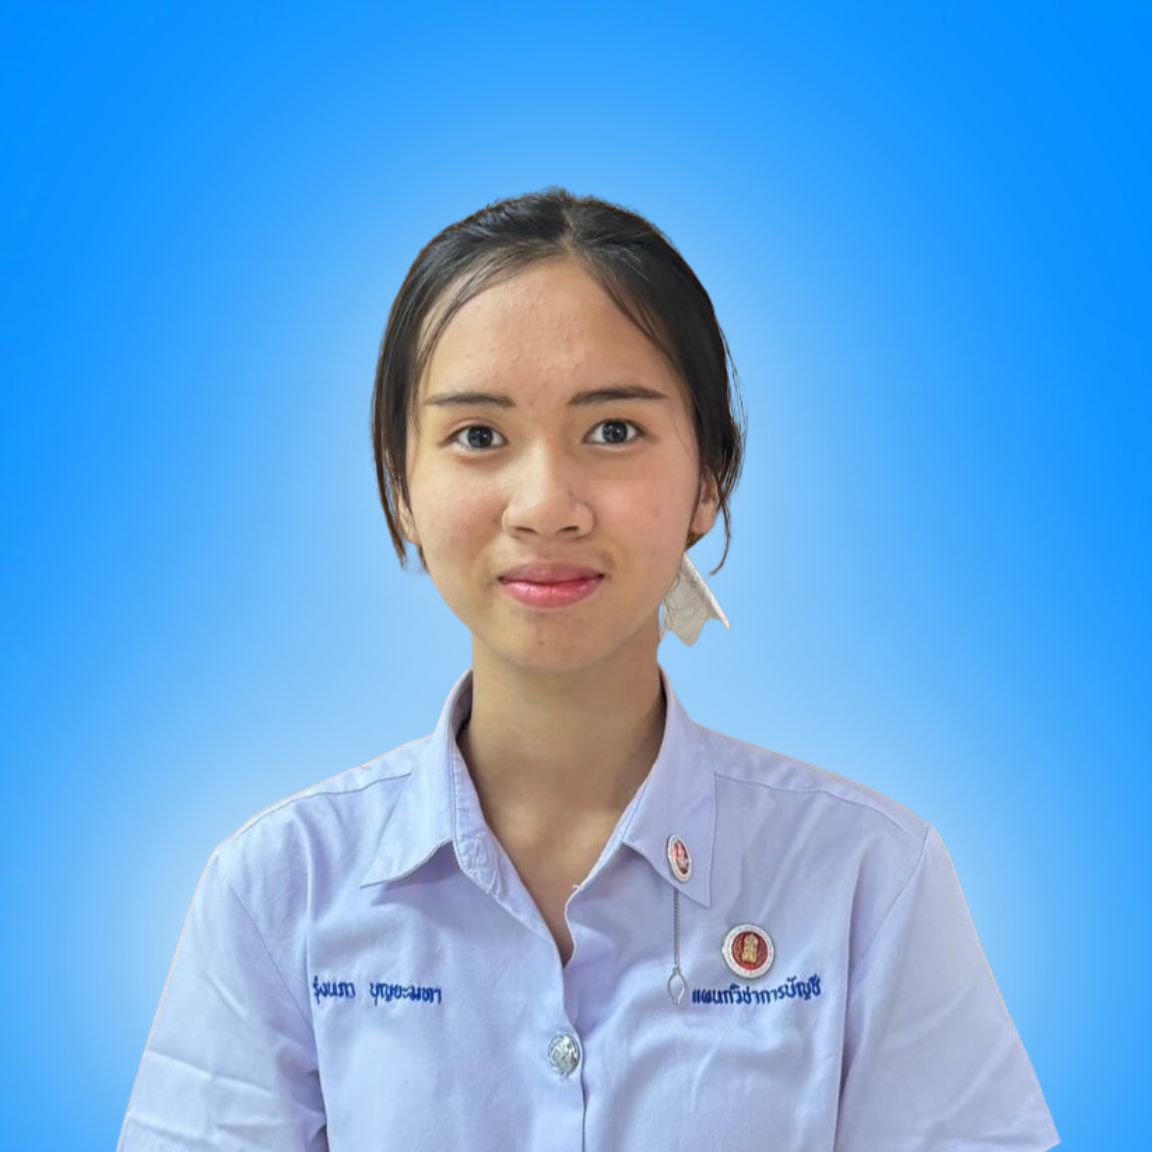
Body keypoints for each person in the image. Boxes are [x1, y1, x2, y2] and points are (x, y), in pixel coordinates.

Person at [118, 188, 1061, 1150]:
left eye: (613, 431)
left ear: (710, 477)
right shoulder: (277, 891)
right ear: (401, 486)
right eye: (478, 436)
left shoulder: (869, 882)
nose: (545, 506)